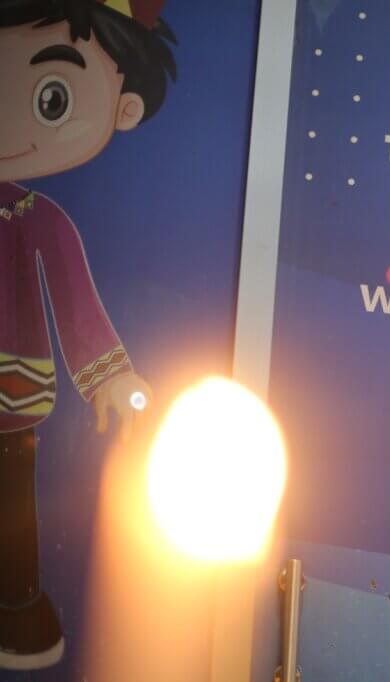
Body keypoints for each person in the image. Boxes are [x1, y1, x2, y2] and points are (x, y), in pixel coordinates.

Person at [0, 0, 176, 669]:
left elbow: (78, 308)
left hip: (9, 398)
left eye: (52, 98)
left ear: (123, 107)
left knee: (11, 510)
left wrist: (111, 376)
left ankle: (17, 608)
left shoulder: (38, 219)